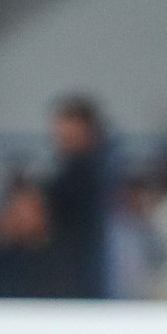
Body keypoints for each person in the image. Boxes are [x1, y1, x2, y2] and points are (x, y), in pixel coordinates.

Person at [43, 95, 109, 298]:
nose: (61, 133)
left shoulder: (92, 175)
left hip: (82, 275)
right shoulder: (68, 172)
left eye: (70, 128)